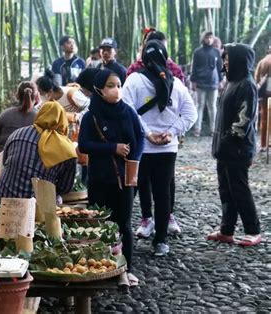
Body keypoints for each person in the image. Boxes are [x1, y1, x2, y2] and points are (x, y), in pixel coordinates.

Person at [122, 40, 197, 256]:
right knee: (162, 194)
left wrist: (147, 133)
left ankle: (120, 236)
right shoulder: (177, 83)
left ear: (143, 58)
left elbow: (127, 111)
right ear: (165, 58)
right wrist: (171, 132)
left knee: (130, 192)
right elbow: (191, 115)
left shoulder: (134, 80)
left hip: (140, 149)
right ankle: (160, 241)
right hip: (167, 148)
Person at [78, 69, 144, 284]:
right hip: (99, 178)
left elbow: (140, 136)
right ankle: (100, 266)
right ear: (99, 89)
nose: (116, 90)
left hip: (125, 179)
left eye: (118, 85)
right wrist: (112, 148)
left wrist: (134, 157)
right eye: (110, 86)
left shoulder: (128, 112)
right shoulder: (91, 116)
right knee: (99, 224)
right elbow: (84, 145)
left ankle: (127, 268)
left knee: (123, 223)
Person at [126, 30, 184, 236]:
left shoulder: (174, 72)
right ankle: (149, 221)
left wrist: (172, 129)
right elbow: (128, 104)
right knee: (148, 183)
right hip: (158, 140)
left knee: (165, 184)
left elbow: (180, 104)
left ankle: (165, 218)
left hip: (155, 140)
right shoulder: (134, 74)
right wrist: (173, 131)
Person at [208, 43, 262, 246]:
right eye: (224, 58)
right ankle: (226, 230)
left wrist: (227, 139)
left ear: (240, 59)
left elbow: (244, 119)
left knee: (239, 190)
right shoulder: (231, 81)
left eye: (228, 58)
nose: (225, 61)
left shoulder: (247, 84)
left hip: (237, 148)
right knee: (226, 190)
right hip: (224, 148)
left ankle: (253, 230)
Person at [0, 101, 77, 203]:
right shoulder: (67, 150)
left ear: (39, 115)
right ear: (62, 121)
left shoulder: (18, 133)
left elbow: (5, 163)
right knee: (58, 199)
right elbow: (65, 188)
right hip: (36, 208)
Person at [190, 31, 223, 137]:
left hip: (213, 83)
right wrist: (193, 81)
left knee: (213, 106)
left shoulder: (216, 52)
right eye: (207, 38)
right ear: (203, 39)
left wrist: (221, 81)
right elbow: (194, 67)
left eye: (211, 38)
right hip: (200, 82)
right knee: (200, 105)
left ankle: (214, 130)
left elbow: (220, 68)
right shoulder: (197, 52)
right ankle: (197, 129)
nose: (209, 40)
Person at [0, 81, 38, 156]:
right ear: (36, 96)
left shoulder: (5, 114)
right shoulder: (40, 117)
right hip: (30, 161)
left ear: (17, 96)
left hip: (3, 159)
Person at [254, 44, 271, 151]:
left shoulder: (262, 61)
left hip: (264, 93)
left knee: (264, 118)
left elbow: (256, 78)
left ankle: (264, 144)